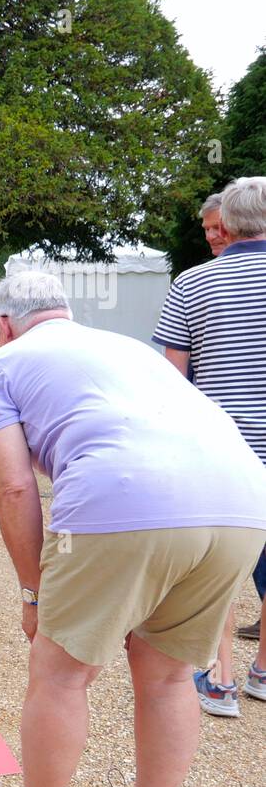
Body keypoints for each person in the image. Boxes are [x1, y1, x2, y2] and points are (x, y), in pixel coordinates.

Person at [0, 271, 266, 787]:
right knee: (172, 674)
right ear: (64, 311)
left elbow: (14, 487)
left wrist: (34, 593)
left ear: (3, 324)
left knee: (61, 673)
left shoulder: (2, 362)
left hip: (126, 499)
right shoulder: (128, 347)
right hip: (243, 502)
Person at [152, 177, 266, 713]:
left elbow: (173, 383)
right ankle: (262, 672)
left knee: (219, 566)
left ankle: (219, 680)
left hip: (222, 453)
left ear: (229, 222)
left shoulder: (193, 283)